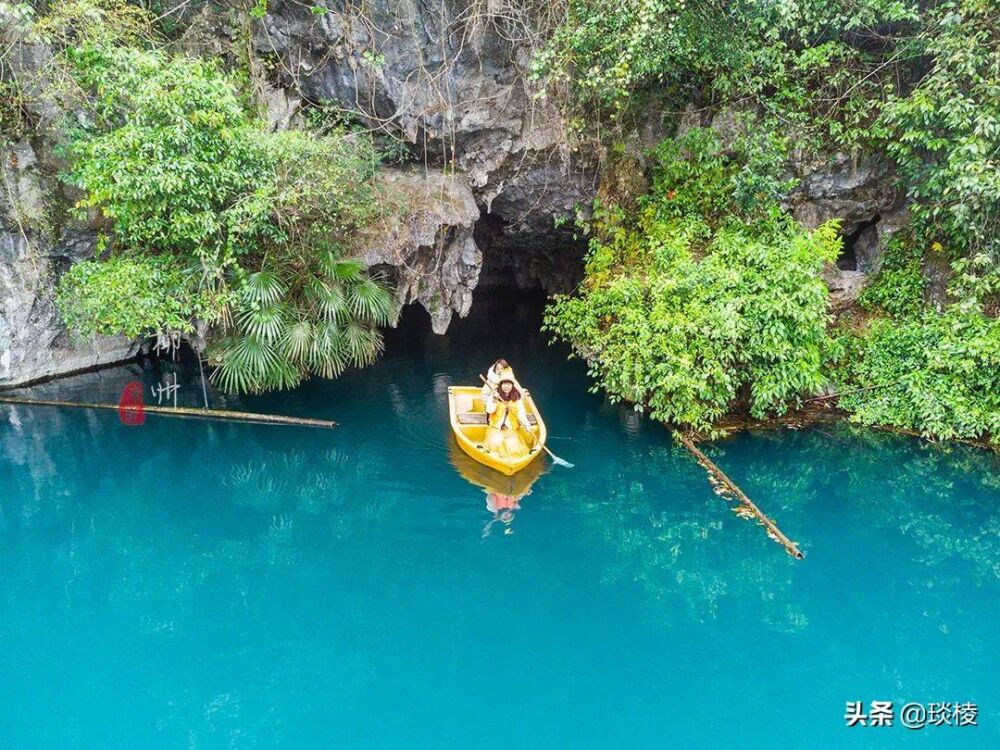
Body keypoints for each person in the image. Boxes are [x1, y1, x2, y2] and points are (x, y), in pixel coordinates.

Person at [482, 379, 535, 459]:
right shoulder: (494, 395)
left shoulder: (517, 398)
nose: (506, 386)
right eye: (504, 384)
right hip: (496, 428)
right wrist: (494, 399)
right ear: (500, 385)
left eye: (509, 384)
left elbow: (521, 414)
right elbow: (489, 410)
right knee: (496, 442)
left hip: (511, 429)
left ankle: (512, 462)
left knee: (513, 445)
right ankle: (498, 460)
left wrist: (527, 425)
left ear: (512, 385)